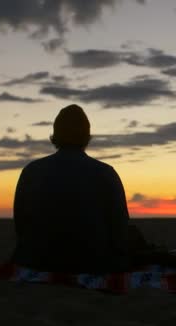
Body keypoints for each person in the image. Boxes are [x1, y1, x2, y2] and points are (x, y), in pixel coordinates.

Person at [10, 104, 130, 273]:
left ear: (56, 134)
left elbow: (20, 225)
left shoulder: (31, 171)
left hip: (37, 261)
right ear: (87, 135)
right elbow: (119, 227)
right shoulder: (105, 173)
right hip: (93, 263)